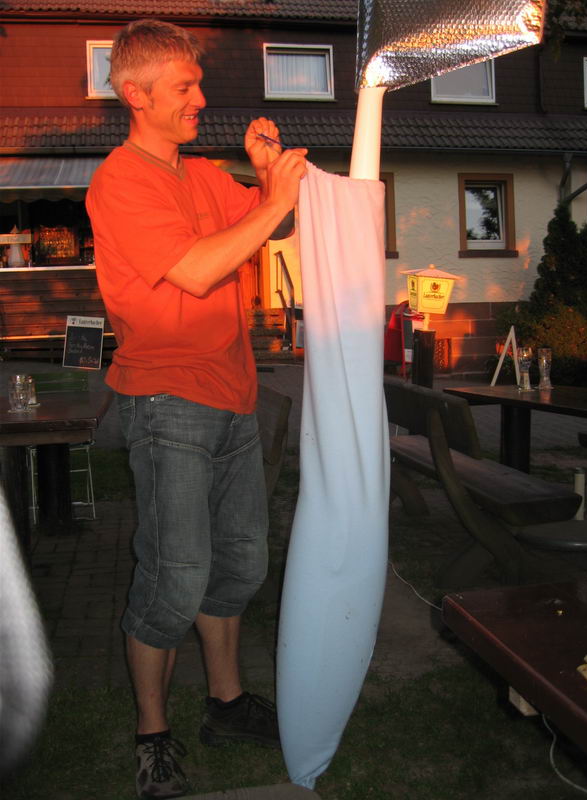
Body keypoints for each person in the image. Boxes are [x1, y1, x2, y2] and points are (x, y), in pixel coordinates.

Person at [86, 18, 307, 799]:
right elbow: (198, 269)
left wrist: (266, 176)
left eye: (198, 83)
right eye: (184, 87)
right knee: (175, 576)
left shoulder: (204, 175)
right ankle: (152, 734)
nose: (200, 99)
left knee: (241, 563)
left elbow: (275, 218)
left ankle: (225, 701)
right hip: (166, 400)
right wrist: (272, 203)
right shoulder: (121, 181)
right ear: (135, 94)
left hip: (233, 396)